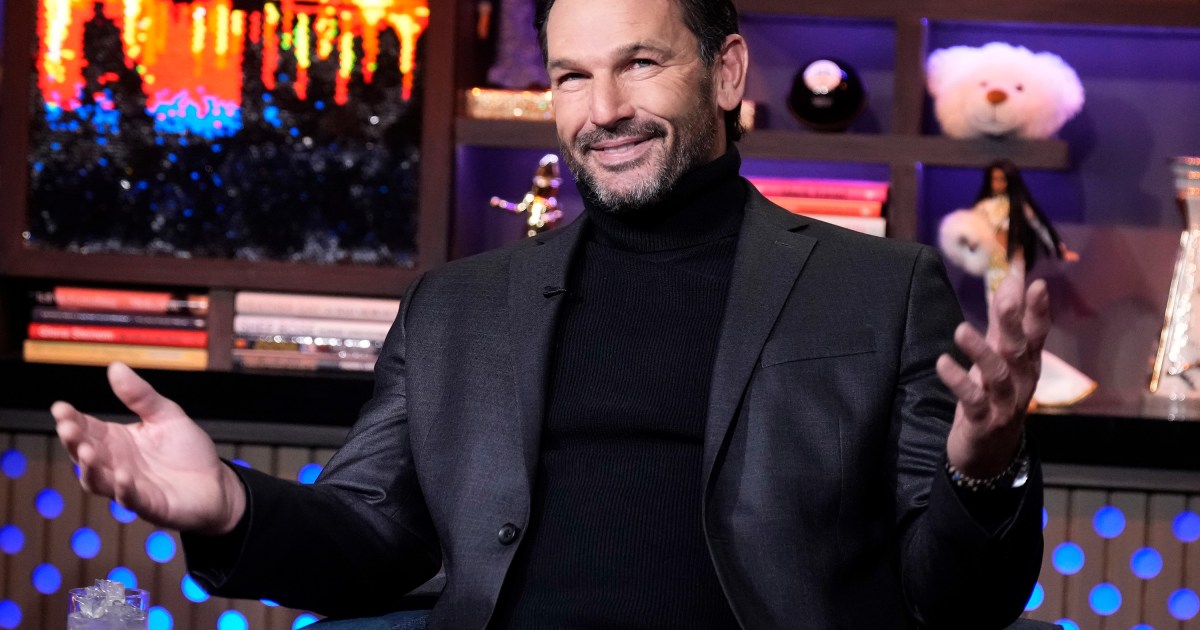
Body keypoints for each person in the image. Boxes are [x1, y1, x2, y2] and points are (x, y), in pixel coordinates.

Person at [51, 0, 1050, 627]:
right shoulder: (457, 306)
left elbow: (956, 600)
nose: (602, 109)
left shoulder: (877, 288)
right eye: (572, 75)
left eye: (640, 63)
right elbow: (373, 539)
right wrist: (230, 506)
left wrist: (985, 465)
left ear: (728, 72)